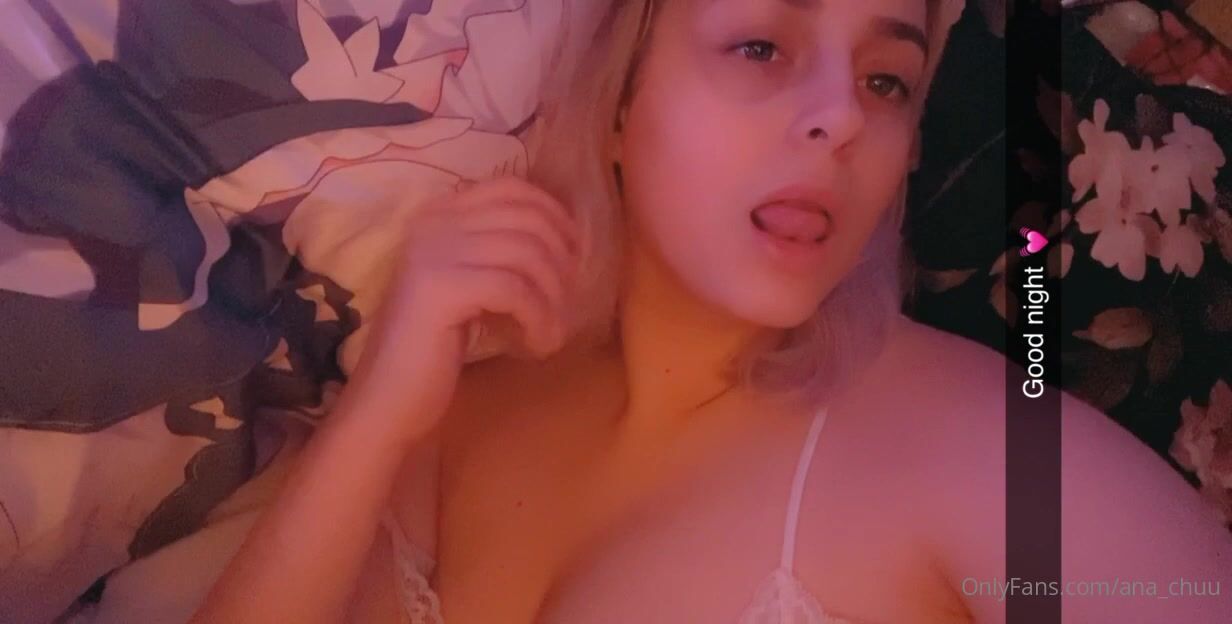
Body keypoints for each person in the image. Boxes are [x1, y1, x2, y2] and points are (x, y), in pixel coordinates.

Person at [189, 0, 1232, 622]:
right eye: (761, 47)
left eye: (886, 80)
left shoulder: (1001, 458)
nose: (840, 118)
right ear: (617, 102)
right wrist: (375, 412)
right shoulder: (443, 422)